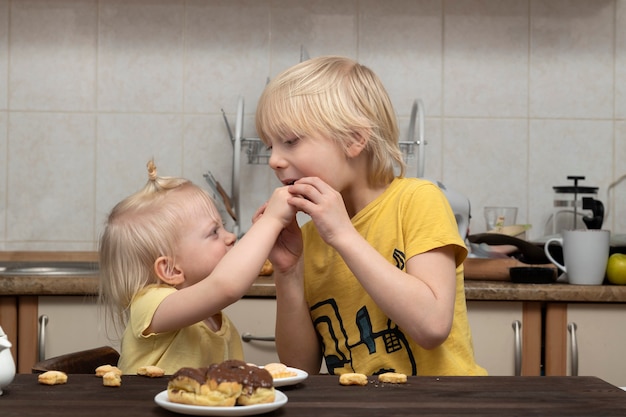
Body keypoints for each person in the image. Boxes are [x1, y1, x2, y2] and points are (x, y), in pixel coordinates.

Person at [254, 56, 487, 376]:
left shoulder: (418, 201)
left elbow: (432, 326)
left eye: (291, 141)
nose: (274, 160)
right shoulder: (308, 239)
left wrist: (344, 236)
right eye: (270, 145)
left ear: (354, 139)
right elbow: (298, 367)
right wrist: (288, 272)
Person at [99, 160, 296, 374]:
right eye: (214, 232)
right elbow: (226, 287)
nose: (230, 237)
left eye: (224, 227)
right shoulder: (150, 304)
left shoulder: (215, 319)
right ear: (171, 269)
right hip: (141, 408)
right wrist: (272, 221)